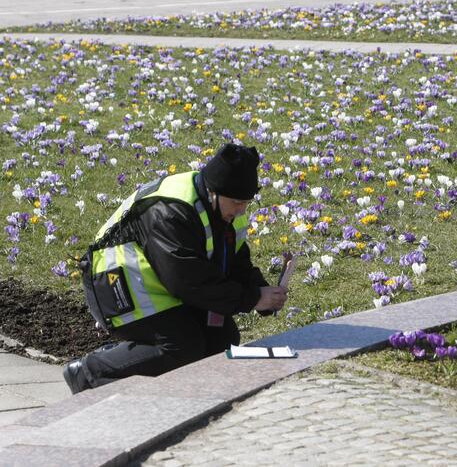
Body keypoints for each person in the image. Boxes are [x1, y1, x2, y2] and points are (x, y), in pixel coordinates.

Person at [63, 143, 288, 394]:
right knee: (182, 345)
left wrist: (261, 290)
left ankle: (175, 388)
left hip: (156, 284)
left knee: (222, 339)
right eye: (237, 202)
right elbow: (186, 281)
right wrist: (253, 299)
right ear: (214, 192)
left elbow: (235, 261)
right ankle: (89, 372)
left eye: (246, 202)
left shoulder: (226, 211)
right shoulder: (170, 211)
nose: (242, 209)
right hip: (115, 285)